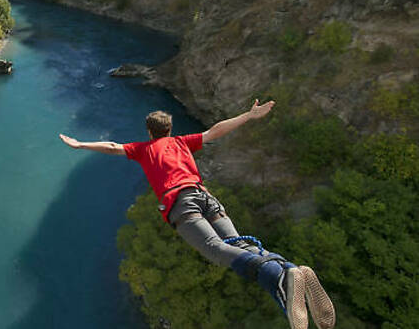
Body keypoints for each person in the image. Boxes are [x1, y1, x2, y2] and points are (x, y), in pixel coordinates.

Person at [58, 100, 335, 329]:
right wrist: (249, 116)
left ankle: (279, 278)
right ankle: (289, 269)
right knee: (239, 244)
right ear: (169, 129)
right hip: (206, 197)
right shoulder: (181, 142)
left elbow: (114, 147)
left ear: (149, 131)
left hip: (181, 204)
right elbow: (215, 131)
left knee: (215, 250)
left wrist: (80, 145)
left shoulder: (144, 149)